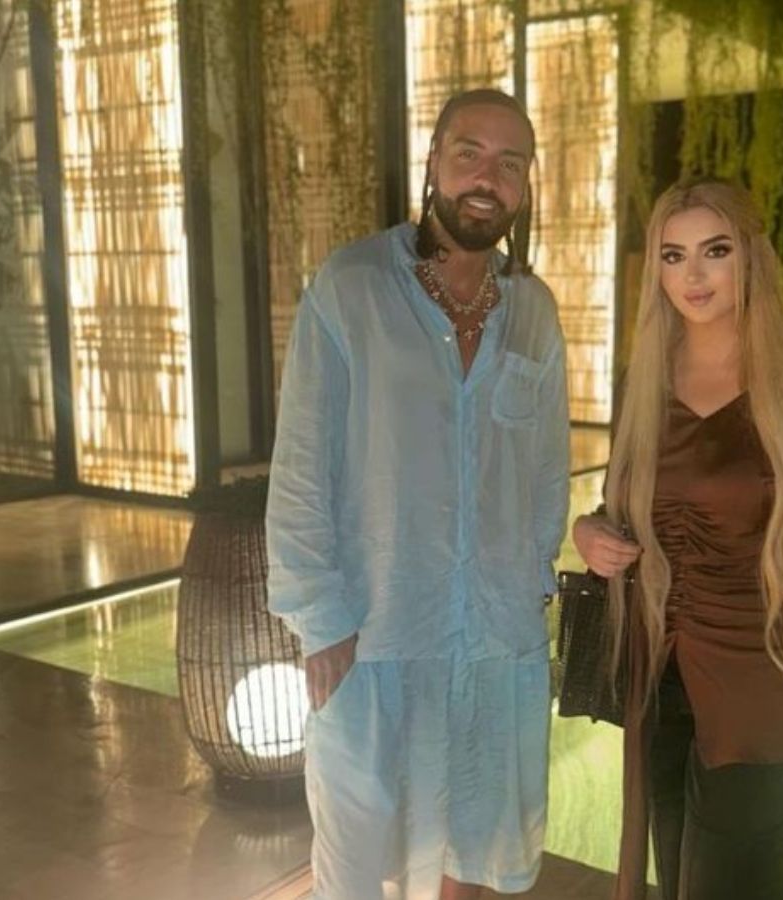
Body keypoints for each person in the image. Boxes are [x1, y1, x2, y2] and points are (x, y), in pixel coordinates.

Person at [573, 178, 783, 900]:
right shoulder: (643, 381)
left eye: (715, 250)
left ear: (751, 256)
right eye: (673, 256)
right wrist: (591, 529)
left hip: (773, 685)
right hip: (661, 684)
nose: (693, 275)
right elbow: (628, 512)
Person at [266, 89, 570, 900]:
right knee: (361, 861)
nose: (488, 178)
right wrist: (319, 619)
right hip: (377, 633)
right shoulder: (352, 287)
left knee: (476, 850)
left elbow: (547, 470)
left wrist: (532, 585)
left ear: (525, 184)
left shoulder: (533, 313)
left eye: (510, 163)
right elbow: (301, 464)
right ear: (434, 161)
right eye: (470, 153)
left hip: (494, 639)